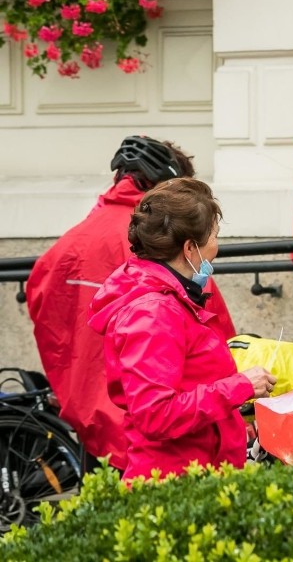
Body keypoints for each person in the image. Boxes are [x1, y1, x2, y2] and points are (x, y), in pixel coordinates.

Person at [26, 135, 236, 473]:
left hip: (95, 415)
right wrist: (238, 386)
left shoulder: (73, 242)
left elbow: (46, 316)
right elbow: (219, 336)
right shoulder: (170, 258)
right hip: (169, 438)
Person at [87, 178, 276, 481]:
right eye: (214, 236)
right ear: (190, 248)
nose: (217, 246)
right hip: (176, 483)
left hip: (195, 473)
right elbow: (156, 416)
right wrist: (240, 387)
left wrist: (233, 426)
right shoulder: (154, 312)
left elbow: (192, 385)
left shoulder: (169, 300)